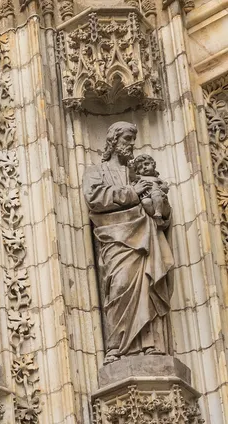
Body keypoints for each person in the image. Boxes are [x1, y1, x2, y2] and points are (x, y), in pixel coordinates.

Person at [82, 122, 175, 361]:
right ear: (113, 141)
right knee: (120, 285)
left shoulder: (139, 174)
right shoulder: (96, 172)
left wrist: (159, 205)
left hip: (145, 236)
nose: (131, 144)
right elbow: (95, 197)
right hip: (116, 239)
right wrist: (132, 192)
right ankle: (116, 347)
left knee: (147, 285)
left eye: (133, 139)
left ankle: (150, 343)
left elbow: (161, 210)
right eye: (127, 138)